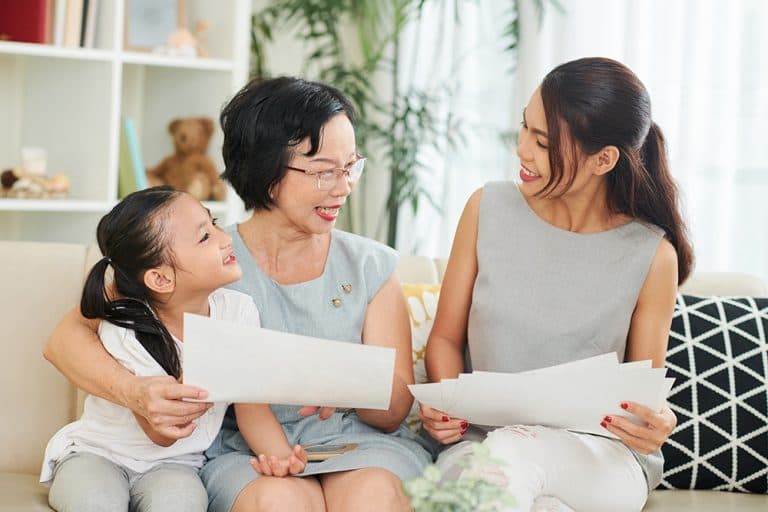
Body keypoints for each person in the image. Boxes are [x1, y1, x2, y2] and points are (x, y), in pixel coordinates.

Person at [43, 77, 432, 512]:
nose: (343, 187)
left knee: (373, 498)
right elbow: (66, 339)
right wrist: (135, 393)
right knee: (277, 502)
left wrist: (348, 384)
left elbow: (395, 409)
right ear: (267, 173)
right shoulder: (197, 262)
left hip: (360, 445)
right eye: (324, 171)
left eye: (350, 167)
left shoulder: (370, 266)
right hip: (244, 450)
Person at [419, 57, 694, 512]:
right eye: (524, 128)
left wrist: (657, 419)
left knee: (513, 453)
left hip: (601, 459)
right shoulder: (487, 208)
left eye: (542, 142)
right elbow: (446, 339)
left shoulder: (652, 255)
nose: (522, 149)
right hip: (478, 448)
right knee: (527, 484)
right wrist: (446, 404)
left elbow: (641, 395)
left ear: (603, 159)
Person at [41, 186, 308, 511]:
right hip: (97, 453)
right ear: (161, 279)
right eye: (204, 237)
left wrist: (280, 458)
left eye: (215, 223)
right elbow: (162, 434)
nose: (225, 238)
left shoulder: (239, 312)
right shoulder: (129, 326)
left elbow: (251, 406)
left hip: (177, 464)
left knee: (181, 504)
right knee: (96, 501)